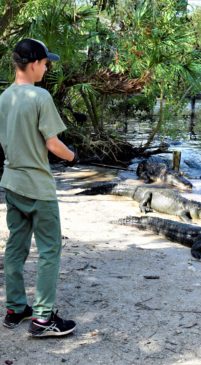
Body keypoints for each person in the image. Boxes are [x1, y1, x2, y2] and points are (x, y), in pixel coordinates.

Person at [0, 38, 77, 337]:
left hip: (12, 184)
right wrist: (73, 157)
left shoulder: (4, 97)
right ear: (33, 64)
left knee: (15, 248)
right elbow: (53, 144)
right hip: (38, 188)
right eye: (46, 63)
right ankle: (43, 319)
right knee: (49, 250)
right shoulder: (40, 96)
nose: (47, 68)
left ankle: (15, 308)